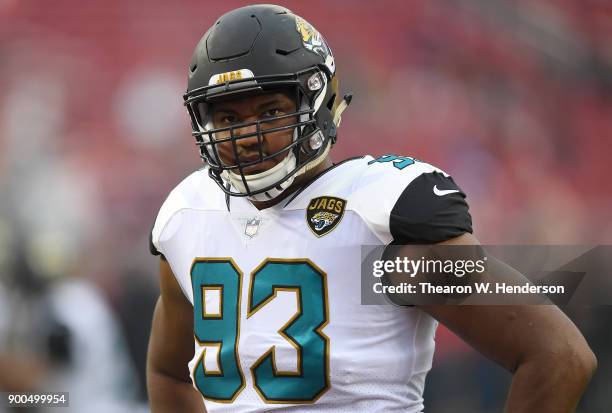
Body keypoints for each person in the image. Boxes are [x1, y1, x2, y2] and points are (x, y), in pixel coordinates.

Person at [146, 4, 596, 412]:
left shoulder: (373, 214)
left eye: (268, 112)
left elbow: (558, 355)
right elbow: (169, 372)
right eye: (227, 119)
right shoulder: (189, 215)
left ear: (316, 103)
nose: (247, 135)